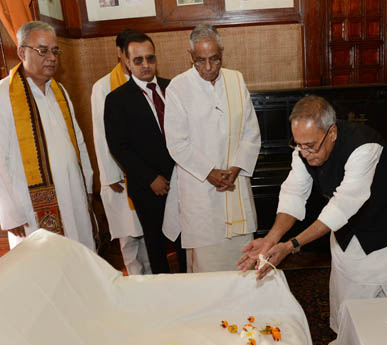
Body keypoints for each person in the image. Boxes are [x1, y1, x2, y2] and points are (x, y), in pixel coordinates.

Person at [237, 95, 387, 341]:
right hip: (347, 235)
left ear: (331, 133)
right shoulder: (303, 149)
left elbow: (342, 205)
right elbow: (294, 193)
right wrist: (270, 239)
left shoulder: (364, 146)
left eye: (311, 146)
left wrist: (291, 245)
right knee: (347, 299)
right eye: (299, 145)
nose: (305, 153)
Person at [0, 21, 94, 250]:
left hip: (72, 195)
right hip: (30, 208)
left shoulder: (59, 91)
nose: (51, 57)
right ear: (22, 52)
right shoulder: (0, 97)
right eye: (43, 50)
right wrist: (10, 213)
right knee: (43, 269)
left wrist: (87, 185)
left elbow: (78, 142)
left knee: (79, 258)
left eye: (55, 51)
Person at [163, 24, 261, 272]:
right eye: (200, 61)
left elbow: (251, 131)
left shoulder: (236, 80)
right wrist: (210, 173)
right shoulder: (178, 87)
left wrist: (236, 169)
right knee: (208, 267)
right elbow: (176, 143)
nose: (208, 68)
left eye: (214, 60)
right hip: (200, 190)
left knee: (241, 262)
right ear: (191, 57)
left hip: (235, 183)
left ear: (222, 54)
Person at [104, 33, 177, 274]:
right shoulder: (116, 99)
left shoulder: (173, 88)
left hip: (182, 180)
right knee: (156, 246)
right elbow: (119, 147)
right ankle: (164, 295)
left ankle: (190, 285)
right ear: (126, 62)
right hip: (148, 186)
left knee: (185, 241)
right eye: (138, 60)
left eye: (150, 58)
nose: (145, 65)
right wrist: (150, 179)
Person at [91, 29, 151, 275]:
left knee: (148, 231)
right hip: (119, 174)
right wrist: (110, 175)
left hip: (144, 171)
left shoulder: (147, 81)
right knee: (128, 236)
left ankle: (152, 277)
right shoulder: (103, 86)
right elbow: (100, 134)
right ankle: (135, 279)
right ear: (121, 53)